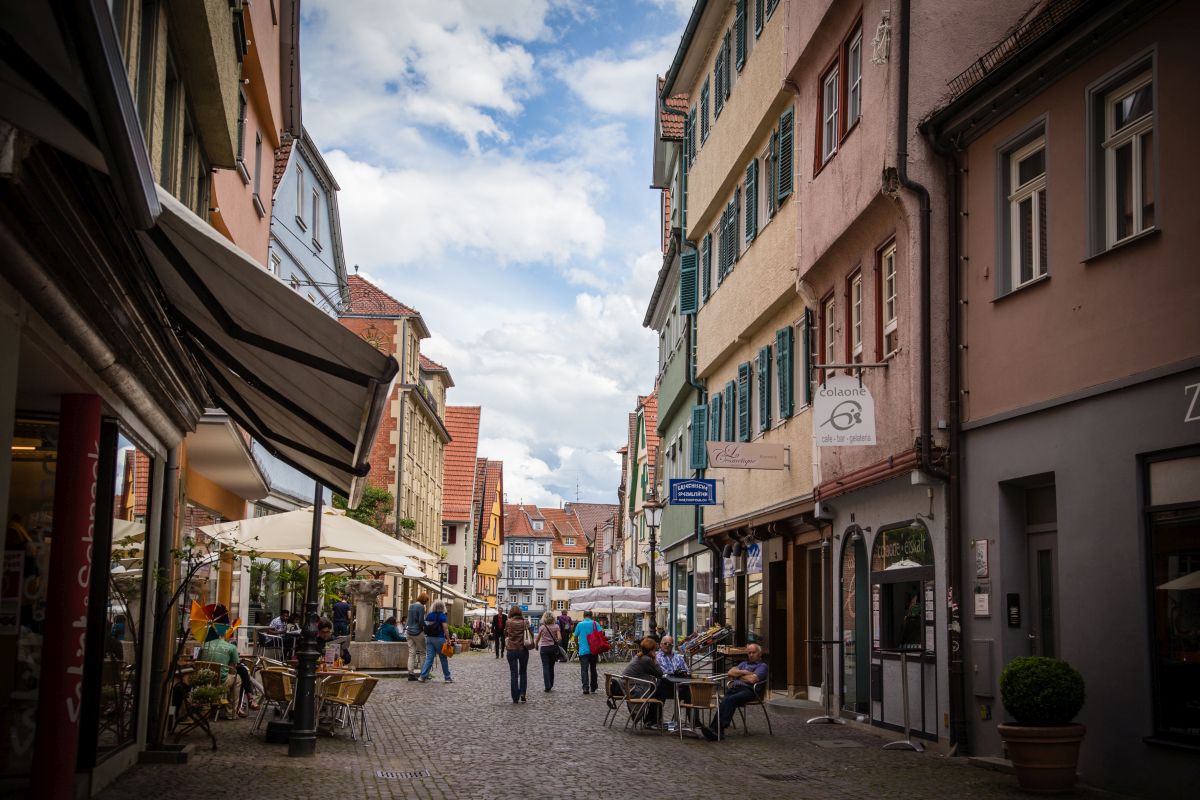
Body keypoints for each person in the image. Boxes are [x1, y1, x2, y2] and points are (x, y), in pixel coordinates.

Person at [701, 642, 768, 741]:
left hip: (749, 691)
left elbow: (752, 680)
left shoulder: (762, 666)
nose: (751, 655)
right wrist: (744, 673)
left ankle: (718, 729)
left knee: (730, 700)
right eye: (749, 653)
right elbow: (730, 672)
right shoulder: (743, 664)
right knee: (724, 701)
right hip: (735, 689)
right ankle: (714, 729)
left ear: (759, 654)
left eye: (753, 653)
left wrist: (738, 675)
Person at [622, 638, 672, 725]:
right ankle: (653, 720)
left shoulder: (639, 656)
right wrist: (654, 658)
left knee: (658, 689)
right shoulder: (646, 659)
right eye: (654, 649)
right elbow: (659, 673)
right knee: (661, 691)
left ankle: (651, 719)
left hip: (627, 686)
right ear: (651, 650)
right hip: (634, 689)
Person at [419, 599, 451, 683]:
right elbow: (445, 628)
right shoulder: (442, 616)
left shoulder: (429, 615)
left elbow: (425, 626)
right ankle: (447, 677)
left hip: (429, 638)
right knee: (443, 658)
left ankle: (422, 676)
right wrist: (448, 639)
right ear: (443, 607)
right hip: (439, 638)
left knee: (429, 658)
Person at [504, 606, 531, 703]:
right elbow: (530, 634)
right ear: (520, 613)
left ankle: (515, 697)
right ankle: (523, 693)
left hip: (511, 650)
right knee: (523, 672)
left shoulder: (508, 622)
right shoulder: (525, 622)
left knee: (514, 673)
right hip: (523, 649)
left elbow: (505, 634)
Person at [573, 610, 602, 694]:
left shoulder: (580, 624)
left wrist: (577, 646)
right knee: (593, 669)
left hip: (583, 650)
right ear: (591, 615)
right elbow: (600, 634)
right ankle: (593, 687)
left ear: (584, 615)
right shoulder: (595, 624)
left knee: (584, 669)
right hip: (594, 650)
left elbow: (575, 636)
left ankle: (585, 688)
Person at [536, 611, 562, 692]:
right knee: (551, 667)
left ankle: (547, 686)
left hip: (544, 649)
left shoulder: (542, 627)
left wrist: (536, 645)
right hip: (552, 649)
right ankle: (551, 684)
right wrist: (556, 641)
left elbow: (538, 639)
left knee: (545, 667)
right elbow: (560, 638)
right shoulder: (556, 626)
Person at [406, 592, 429, 682]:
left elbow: (409, 619)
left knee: (411, 653)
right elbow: (420, 621)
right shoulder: (421, 607)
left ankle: (410, 674)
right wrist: (426, 626)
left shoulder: (411, 605)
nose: (426, 603)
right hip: (417, 632)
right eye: (426, 601)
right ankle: (423, 673)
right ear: (424, 600)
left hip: (409, 632)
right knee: (423, 653)